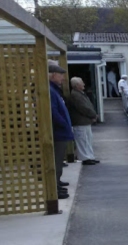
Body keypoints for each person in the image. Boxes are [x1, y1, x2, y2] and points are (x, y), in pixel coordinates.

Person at [49, 64, 74, 199]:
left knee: (59, 160)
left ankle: (57, 184)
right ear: (53, 75)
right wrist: (64, 125)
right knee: (57, 161)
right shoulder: (51, 91)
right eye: (61, 75)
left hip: (61, 132)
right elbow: (53, 112)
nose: (63, 78)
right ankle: (55, 189)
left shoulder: (54, 90)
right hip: (58, 132)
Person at [68, 77, 99, 166]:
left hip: (84, 121)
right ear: (77, 85)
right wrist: (93, 115)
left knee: (87, 140)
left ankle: (90, 156)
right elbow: (83, 108)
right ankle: (85, 158)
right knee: (83, 140)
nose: (84, 84)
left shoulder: (79, 94)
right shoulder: (76, 95)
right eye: (82, 83)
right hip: (80, 121)